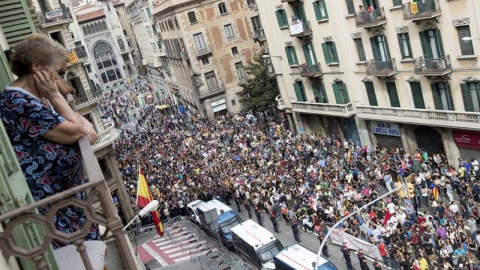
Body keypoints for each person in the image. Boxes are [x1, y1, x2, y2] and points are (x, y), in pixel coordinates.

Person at [0, 34, 98, 248]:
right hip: (52, 207)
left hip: (66, 201)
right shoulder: (18, 101)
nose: (59, 79)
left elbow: (87, 129)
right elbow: (77, 131)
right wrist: (55, 96)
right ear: (37, 67)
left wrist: (77, 122)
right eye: (57, 71)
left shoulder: (36, 95)